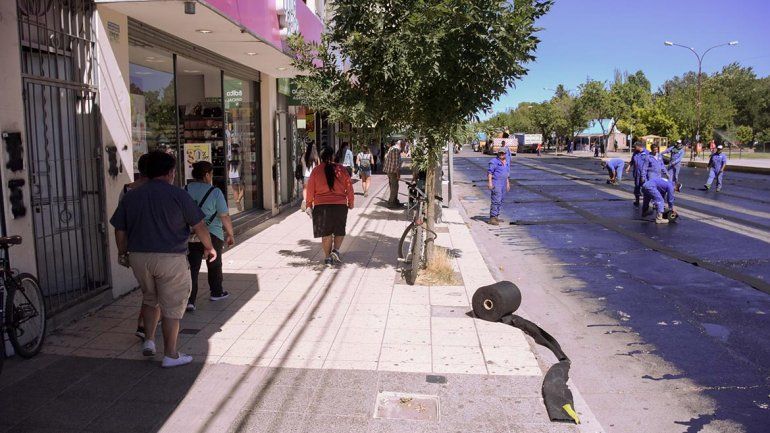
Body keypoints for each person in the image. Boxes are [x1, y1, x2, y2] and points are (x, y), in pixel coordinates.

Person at [110, 151, 216, 368]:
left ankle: (149, 341)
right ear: (170, 172)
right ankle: (171, 354)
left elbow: (119, 229)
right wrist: (209, 247)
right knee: (172, 306)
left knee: (150, 298)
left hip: (139, 257)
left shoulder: (132, 195)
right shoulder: (178, 195)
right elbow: (199, 226)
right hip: (170, 257)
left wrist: (122, 253)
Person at [185, 161, 234, 312]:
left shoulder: (185, 189)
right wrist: (230, 234)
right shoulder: (215, 192)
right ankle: (216, 292)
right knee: (214, 263)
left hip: (191, 233)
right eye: (211, 174)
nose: (211, 177)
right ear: (206, 175)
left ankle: (190, 300)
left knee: (193, 267)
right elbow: (224, 215)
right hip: (212, 232)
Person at [306, 146, 354, 267]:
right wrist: (351, 202)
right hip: (339, 205)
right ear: (333, 156)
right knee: (339, 229)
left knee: (326, 233)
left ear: (321, 157)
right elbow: (349, 187)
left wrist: (308, 204)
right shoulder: (341, 169)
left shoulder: (316, 170)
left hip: (321, 206)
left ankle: (327, 258)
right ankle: (336, 251)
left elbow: (310, 189)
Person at [487, 150, 511, 225]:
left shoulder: (506, 162)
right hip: (496, 183)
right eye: (500, 153)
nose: (501, 154)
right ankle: (492, 218)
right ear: (498, 153)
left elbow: (506, 175)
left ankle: (496, 216)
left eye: (503, 153)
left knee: (500, 200)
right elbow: (490, 173)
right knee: (496, 200)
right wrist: (490, 183)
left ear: (505, 154)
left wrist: (507, 184)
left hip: (503, 183)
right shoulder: (494, 161)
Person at [626, 142, 649, 207]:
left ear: (639, 146)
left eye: (635, 147)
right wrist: (628, 167)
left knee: (645, 188)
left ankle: (646, 203)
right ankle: (637, 201)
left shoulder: (647, 153)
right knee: (637, 187)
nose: (634, 148)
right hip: (636, 173)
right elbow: (632, 161)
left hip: (644, 174)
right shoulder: (635, 152)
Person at [383, 140, 403, 207]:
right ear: (401, 144)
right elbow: (396, 164)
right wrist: (398, 174)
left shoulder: (392, 148)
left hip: (390, 171)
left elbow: (386, 157)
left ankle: (394, 201)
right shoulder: (396, 149)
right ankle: (391, 203)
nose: (404, 147)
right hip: (392, 172)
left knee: (394, 187)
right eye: (404, 145)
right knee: (394, 187)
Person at [301, 142, 319, 211]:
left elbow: (302, 164)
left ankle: (305, 201)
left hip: (305, 175)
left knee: (305, 189)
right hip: (313, 176)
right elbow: (318, 167)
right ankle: (312, 203)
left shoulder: (304, 156)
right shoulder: (316, 157)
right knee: (314, 190)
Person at [228, 146, 244, 211]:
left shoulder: (230, 161)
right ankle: (238, 200)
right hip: (238, 176)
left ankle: (238, 206)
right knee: (243, 189)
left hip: (231, 177)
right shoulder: (239, 160)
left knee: (235, 191)